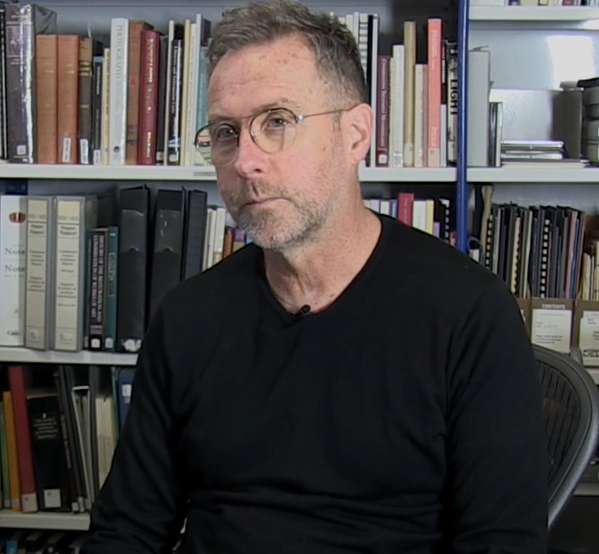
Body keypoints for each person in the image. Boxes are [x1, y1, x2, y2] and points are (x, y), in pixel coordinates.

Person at [81, 1, 549, 553]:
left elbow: (501, 542)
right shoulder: (189, 318)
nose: (245, 161)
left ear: (355, 135)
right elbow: (128, 528)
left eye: (277, 122)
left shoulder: (468, 314)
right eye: (227, 132)